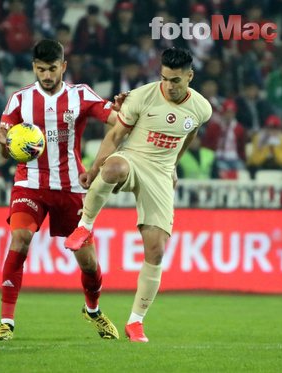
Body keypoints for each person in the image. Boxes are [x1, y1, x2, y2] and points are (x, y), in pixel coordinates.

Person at [65, 48, 212, 342]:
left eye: (176, 80)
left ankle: (135, 322)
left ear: (190, 77)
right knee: (115, 166)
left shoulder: (201, 108)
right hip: (134, 158)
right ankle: (85, 226)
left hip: (159, 173)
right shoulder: (142, 96)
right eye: (165, 78)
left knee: (156, 249)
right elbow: (115, 136)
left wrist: (173, 165)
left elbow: (190, 132)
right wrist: (94, 170)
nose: (169, 85)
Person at [0, 39, 127, 342]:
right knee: (20, 239)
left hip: (70, 186)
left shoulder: (80, 95)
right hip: (31, 183)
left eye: (52, 69)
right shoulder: (19, 100)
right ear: (33, 68)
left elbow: (117, 120)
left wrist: (124, 110)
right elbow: (4, 150)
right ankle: (6, 322)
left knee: (87, 260)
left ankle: (93, 310)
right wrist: (2, 144)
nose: (47, 75)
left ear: (63, 66)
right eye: (41, 69)